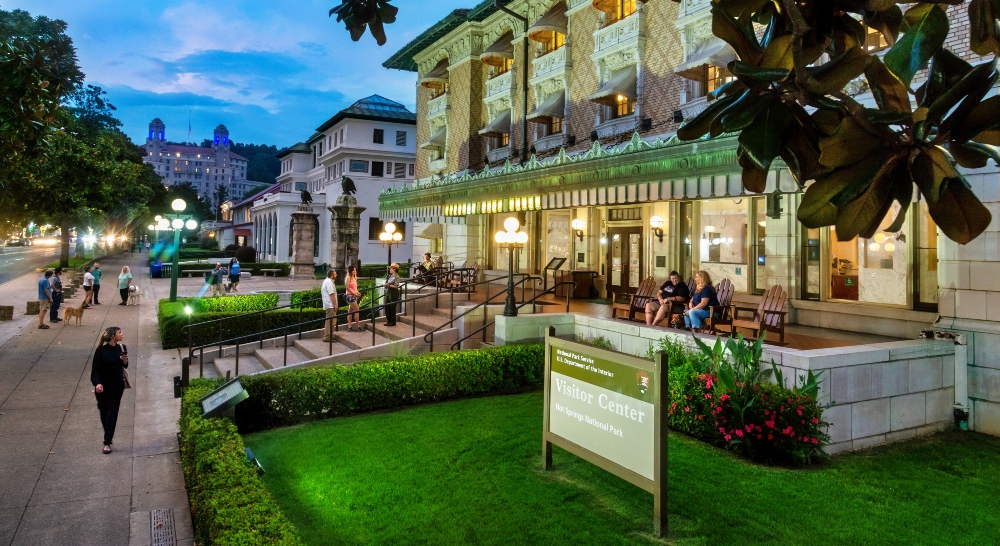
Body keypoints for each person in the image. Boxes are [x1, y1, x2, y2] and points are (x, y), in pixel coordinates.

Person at [91, 326, 128, 454]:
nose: (122, 334)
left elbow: (125, 366)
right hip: (103, 387)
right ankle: (108, 432)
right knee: (104, 412)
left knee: (112, 413)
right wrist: (97, 384)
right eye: (120, 333)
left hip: (117, 386)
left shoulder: (121, 348)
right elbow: (95, 370)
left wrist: (124, 361)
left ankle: (107, 442)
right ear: (113, 336)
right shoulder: (100, 351)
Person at [321, 269, 339, 342]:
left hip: (329, 304)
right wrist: (335, 305)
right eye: (335, 274)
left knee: (331, 320)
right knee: (330, 321)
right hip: (330, 305)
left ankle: (329, 335)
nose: (336, 275)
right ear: (331, 276)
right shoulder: (329, 282)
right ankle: (327, 336)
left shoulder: (327, 281)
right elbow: (331, 294)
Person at [345, 266, 362, 332]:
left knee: (350, 311)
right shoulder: (348, 277)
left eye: (355, 270)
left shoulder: (354, 278)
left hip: (354, 295)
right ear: (350, 271)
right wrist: (354, 294)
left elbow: (355, 288)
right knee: (357, 310)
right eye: (353, 270)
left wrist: (357, 293)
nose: (354, 271)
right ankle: (358, 326)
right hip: (350, 296)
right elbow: (347, 288)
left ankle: (349, 326)